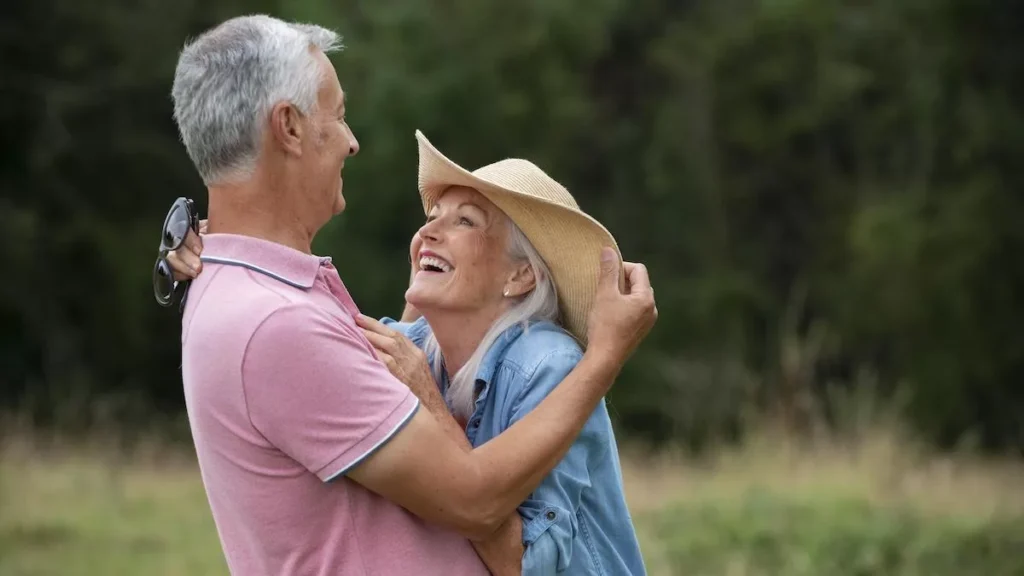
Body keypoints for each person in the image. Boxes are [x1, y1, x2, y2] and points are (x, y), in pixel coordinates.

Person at [164, 14, 657, 576]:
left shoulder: (264, 295)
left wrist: (193, 242)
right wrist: (606, 357)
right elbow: (474, 501)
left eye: (465, 220)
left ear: (523, 276)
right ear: (290, 128)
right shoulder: (277, 322)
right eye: (339, 116)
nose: (352, 142)